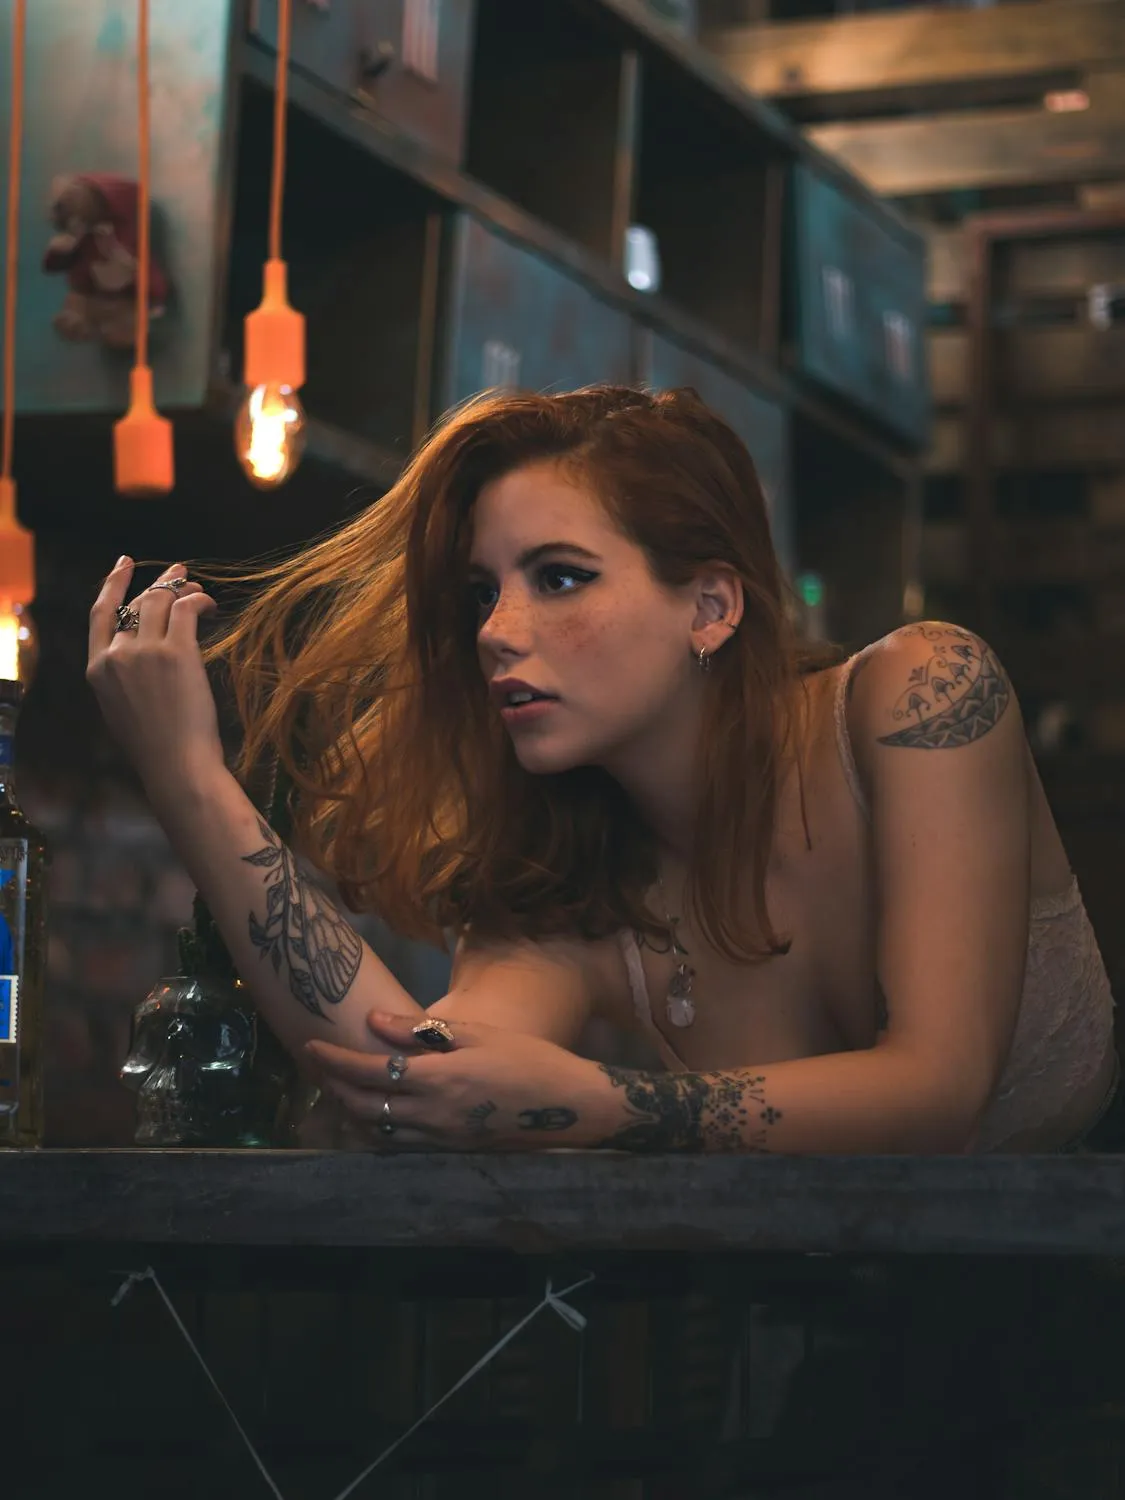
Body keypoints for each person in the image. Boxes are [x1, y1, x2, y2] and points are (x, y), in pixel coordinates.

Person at [85, 384, 1122, 1154]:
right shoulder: (578, 890)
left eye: (561, 578)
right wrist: (189, 778)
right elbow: (412, 1083)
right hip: (840, 1332)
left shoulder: (921, 696)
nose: (499, 630)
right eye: (483, 591)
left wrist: (605, 1104)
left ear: (711, 607)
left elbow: (939, 1090)